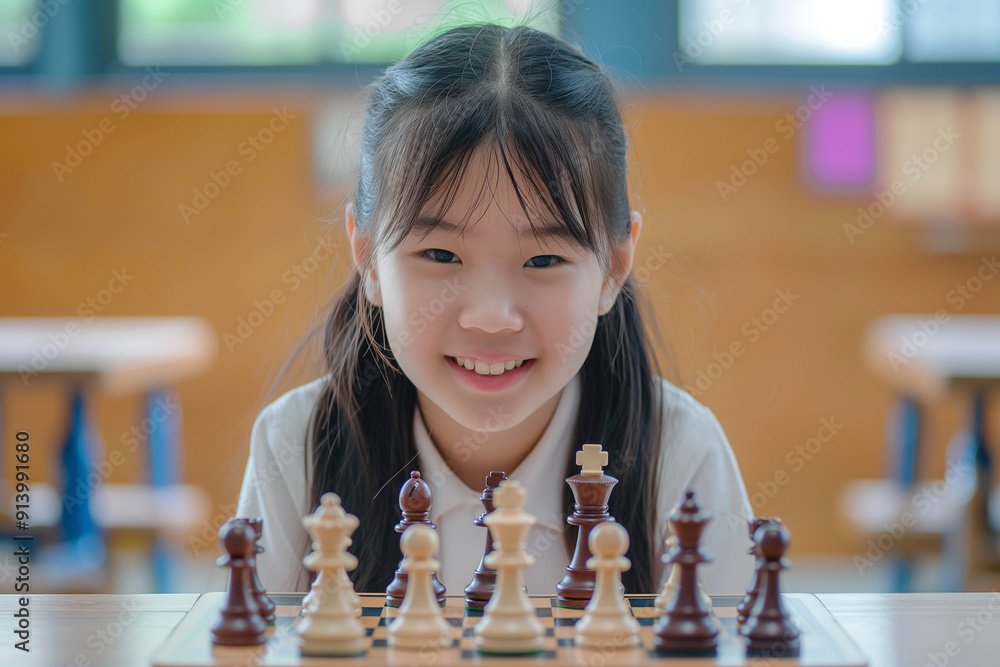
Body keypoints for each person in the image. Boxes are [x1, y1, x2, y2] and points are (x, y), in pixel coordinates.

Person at [236, 22, 754, 597]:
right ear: (369, 260)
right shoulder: (297, 444)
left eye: (543, 260)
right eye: (439, 253)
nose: (491, 316)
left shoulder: (679, 453)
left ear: (614, 267)